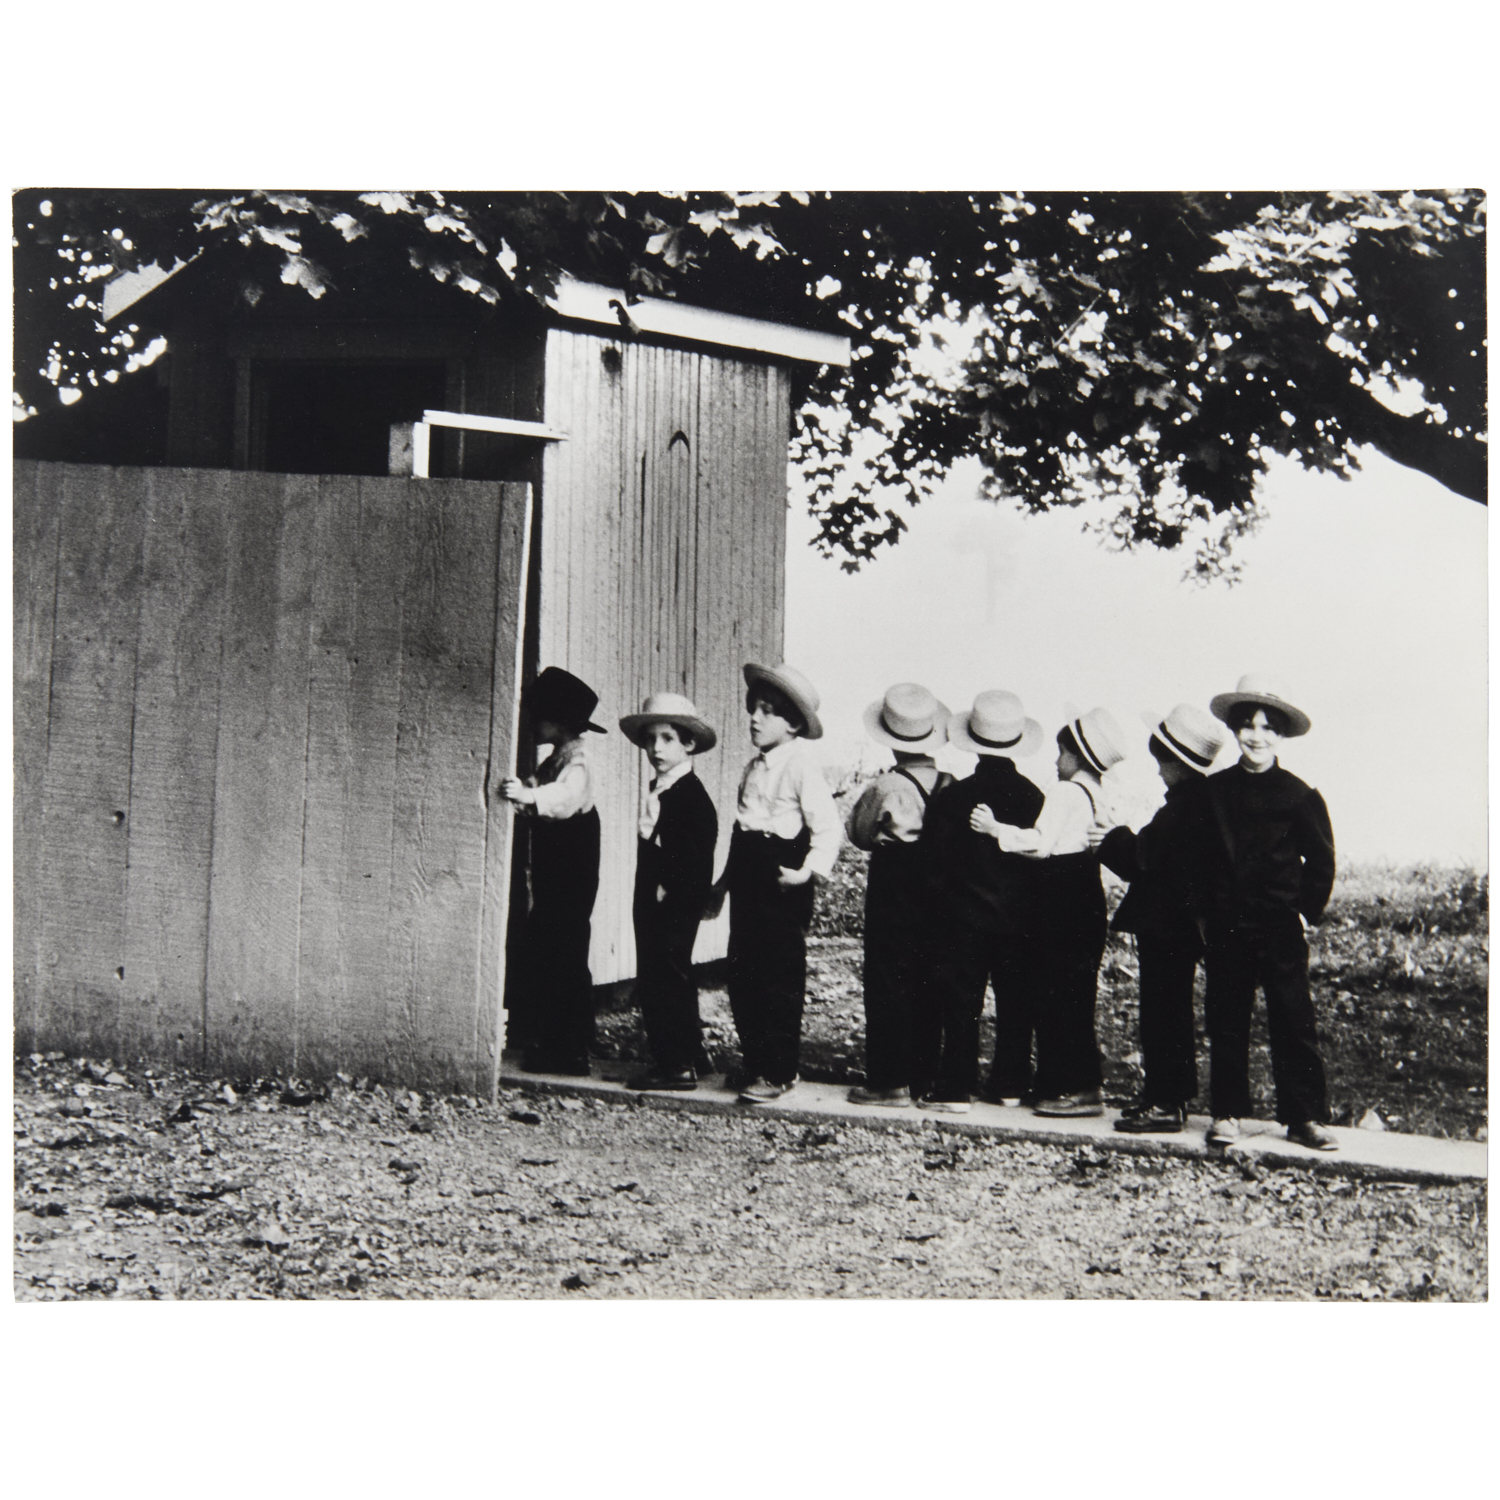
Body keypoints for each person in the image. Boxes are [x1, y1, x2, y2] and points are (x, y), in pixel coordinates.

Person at [1199, 674, 1339, 1152]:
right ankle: (1228, 1112)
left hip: (1280, 926)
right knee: (1227, 1018)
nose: (1256, 736)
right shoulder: (1213, 791)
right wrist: (1208, 911)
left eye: (1267, 728)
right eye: (1247, 726)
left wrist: (1302, 915)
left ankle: (1304, 1118)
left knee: (1292, 1019)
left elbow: (1321, 862)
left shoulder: (1298, 795)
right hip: (1227, 926)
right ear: (1236, 730)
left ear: (1281, 736)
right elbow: (1197, 858)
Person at [973, 705, 1127, 1117]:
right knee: (1076, 994)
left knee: (1057, 995)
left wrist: (995, 830)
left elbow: (1040, 844)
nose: (1056, 763)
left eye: (1061, 753)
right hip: (1086, 897)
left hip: (1060, 899)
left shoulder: (1064, 792)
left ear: (1076, 754)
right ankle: (1073, 1082)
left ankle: (1073, 1088)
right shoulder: (1099, 793)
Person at [1090, 703, 1225, 1134]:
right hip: (1186, 925)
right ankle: (1165, 1098)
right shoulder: (1203, 803)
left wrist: (1109, 835)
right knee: (1170, 1011)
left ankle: (1166, 1102)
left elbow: (1140, 861)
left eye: (1160, 762)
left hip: (1168, 927)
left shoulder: (1180, 810)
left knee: (1163, 1013)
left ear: (1175, 761)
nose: (1158, 771)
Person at [711, 662, 841, 1104]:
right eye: (755, 708)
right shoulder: (754, 767)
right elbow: (742, 829)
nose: (755, 718)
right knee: (743, 970)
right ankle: (756, 1061)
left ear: (793, 724)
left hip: (782, 878)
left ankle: (780, 1070)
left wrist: (806, 871)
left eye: (769, 711)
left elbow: (827, 829)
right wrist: (723, 884)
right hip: (750, 873)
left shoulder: (802, 766)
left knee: (778, 975)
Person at [917, 690, 1046, 1114]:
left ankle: (955, 1087)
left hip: (963, 918)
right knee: (1015, 1002)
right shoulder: (1034, 798)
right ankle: (1009, 1084)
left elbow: (933, 867)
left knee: (961, 1002)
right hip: (1021, 920)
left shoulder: (954, 797)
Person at [845, 683, 953, 1107]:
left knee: (888, 977)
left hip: (896, 882)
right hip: (940, 886)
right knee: (929, 977)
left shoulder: (888, 785)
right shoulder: (950, 783)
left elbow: (859, 832)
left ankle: (888, 1079)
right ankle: (924, 1075)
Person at [499, 666, 607, 1076]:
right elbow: (542, 789)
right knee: (547, 946)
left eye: (537, 716)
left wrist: (528, 795)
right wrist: (528, 789)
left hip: (571, 872)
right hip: (554, 874)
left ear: (559, 722)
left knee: (566, 951)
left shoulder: (578, 763)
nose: (531, 724)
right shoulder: (556, 760)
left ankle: (572, 1047)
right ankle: (552, 1037)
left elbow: (561, 798)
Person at [617, 693, 720, 1092]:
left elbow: (695, 855)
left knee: (665, 974)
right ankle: (691, 1051)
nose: (656, 748)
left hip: (672, 897)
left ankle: (674, 1064)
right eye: (650, 740)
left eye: (667, 739)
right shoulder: (662, 788)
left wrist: (670, 889)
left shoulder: (690, 797)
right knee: (664, 969)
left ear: (689, 744)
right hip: (654, 889)